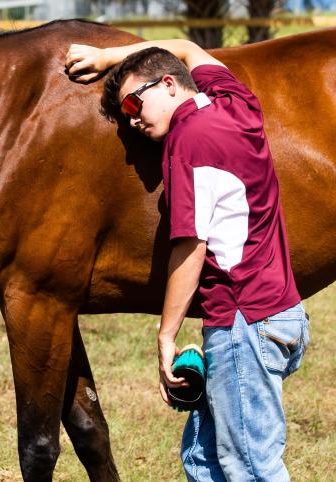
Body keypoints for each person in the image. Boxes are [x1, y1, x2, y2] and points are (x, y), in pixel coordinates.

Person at [64, 40, 309, 481]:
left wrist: (166, 336)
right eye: (125, 113)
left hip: (243, 323)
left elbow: (191, 247)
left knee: (251, 468)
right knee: (202, 457)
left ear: (171, 84)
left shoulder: (188, 140)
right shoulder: (237, 104)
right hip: (283, 317)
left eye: (136, 103)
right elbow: (186, 47)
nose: (133, 118)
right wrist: (106, 59)